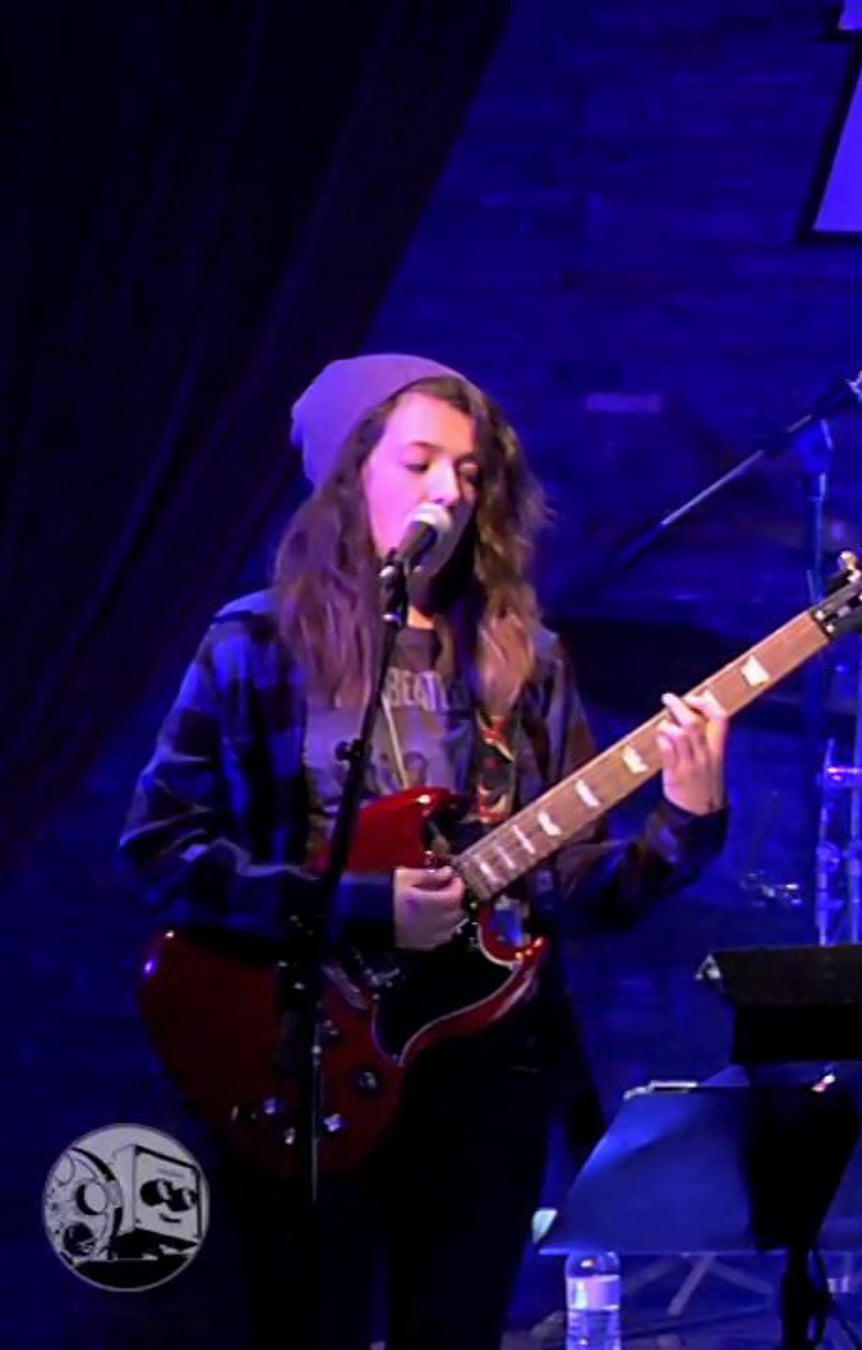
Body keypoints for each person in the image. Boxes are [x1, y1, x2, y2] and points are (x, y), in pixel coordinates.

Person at [120, 354, 732, 1349]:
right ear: (351, 473)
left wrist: (684, 822)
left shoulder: (525, 660)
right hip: (303, 1053)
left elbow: (572, 887)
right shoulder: (257, 644)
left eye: (470, 471)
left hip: (486, 1069)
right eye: (420, 463)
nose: (449, 489)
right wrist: (364, 908)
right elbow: (161, 849)